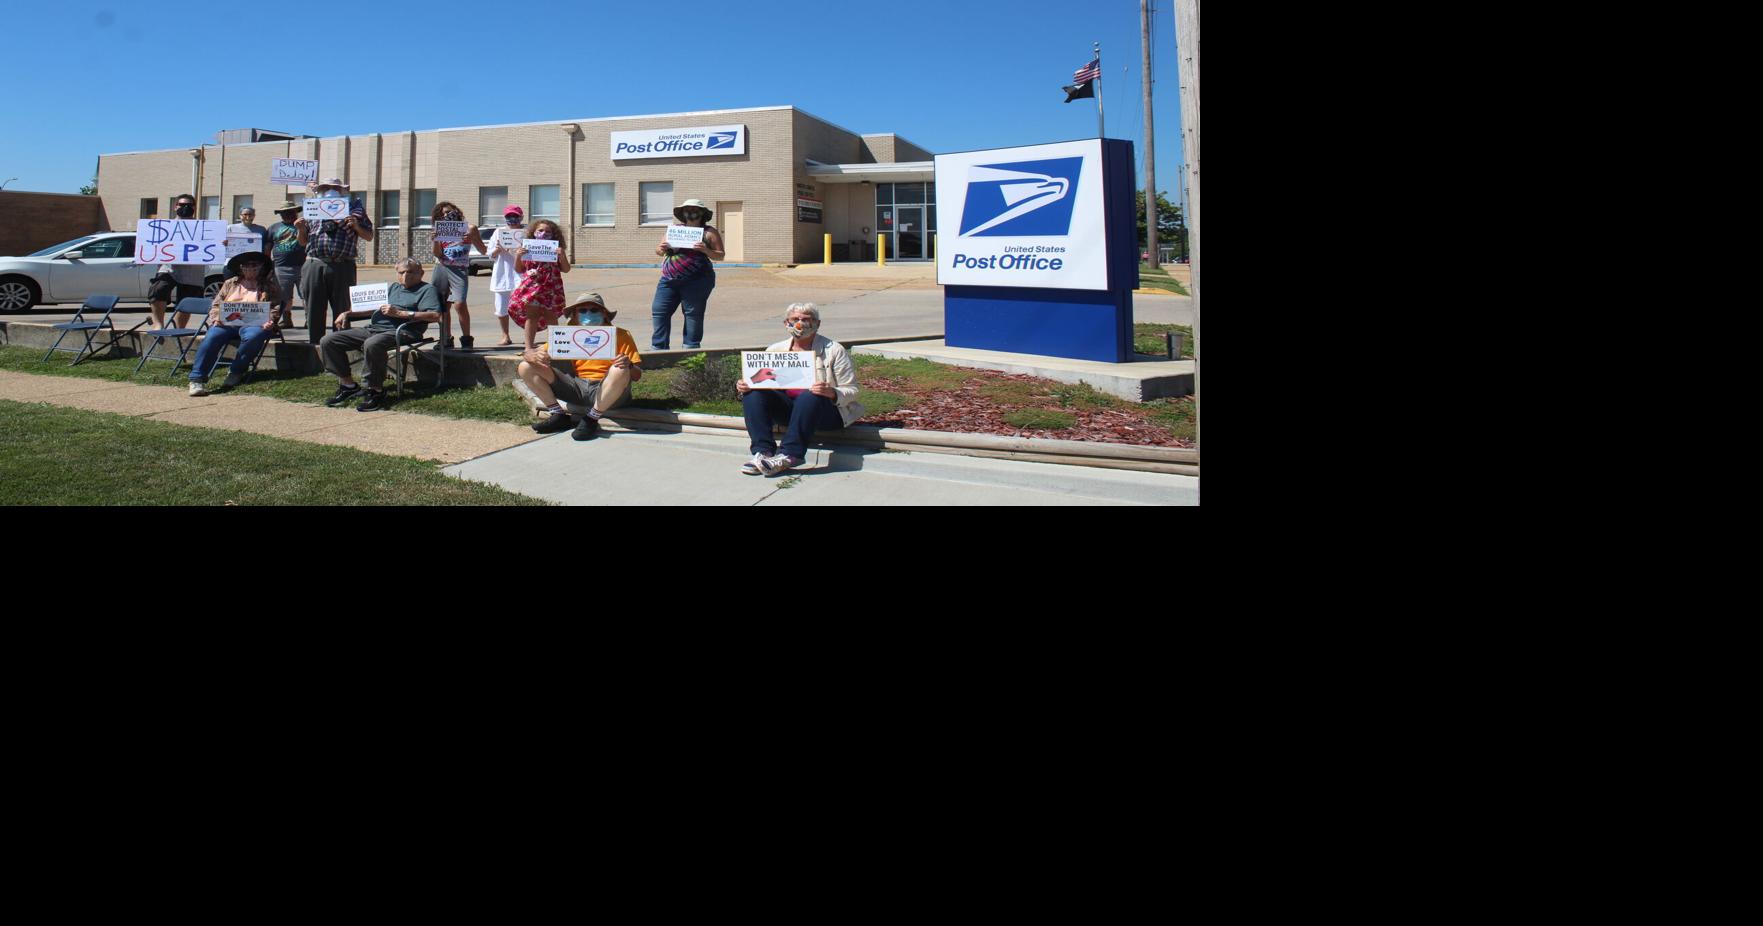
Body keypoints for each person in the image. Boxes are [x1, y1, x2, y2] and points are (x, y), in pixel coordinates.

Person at [738, 302, 865, 476]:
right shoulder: (775, 350)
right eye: (795, 319)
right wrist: (746, 384)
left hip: (826, 413)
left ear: (817, 324)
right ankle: (763, 453)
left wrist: (832, 393)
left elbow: (853, 389)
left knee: (810, 395)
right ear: (786, 323)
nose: (800, 324)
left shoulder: (834, 350)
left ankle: (789, 455)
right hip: (790, 411)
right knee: (753, 392)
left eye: (807, 319)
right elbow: (763, 381)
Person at [318, 258, 442, 412]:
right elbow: (372, 309)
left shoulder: (427, 290)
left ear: (421, 273)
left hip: (404, 330)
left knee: (373, 343)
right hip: (375, 328)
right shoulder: (393, 288)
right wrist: (347, 313)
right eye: (401, 272)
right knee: (329, 340)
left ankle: (375, 389)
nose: (405, 276)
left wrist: (401, 313)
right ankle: (348, 385)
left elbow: (435, 315)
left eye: (410, 272)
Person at [517, 292, 642, 441]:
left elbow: (637, 375)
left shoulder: (621, 335)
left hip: (610, 390)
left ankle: (591, 419)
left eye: (594, 310)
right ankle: (558, 415)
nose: (588, 314)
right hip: (578, 387)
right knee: (525, 366)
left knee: (619, 369)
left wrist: (629, 365)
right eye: (582, 310)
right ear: (575, 315)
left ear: (604, 314)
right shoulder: (569, 335)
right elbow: (533, 353)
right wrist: (529, 355)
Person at [185, 251, 281, 396]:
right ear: (241, 268)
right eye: (247, 266)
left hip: (255, 324)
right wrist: (216, 317)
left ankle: (236, 371)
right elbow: (216, 305)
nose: (251, 269)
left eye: (255, 265)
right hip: (227, 323)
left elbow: (275, 307)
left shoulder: (269, 286)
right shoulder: (230, 283)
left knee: (254, 336)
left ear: (261, 267)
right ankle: (197, 379)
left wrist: (270, 320)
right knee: (211, 337)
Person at [296, 177, 373, 344]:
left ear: (343, 191)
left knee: (342, 307)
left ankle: (338, 345)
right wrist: (301, 229)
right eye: (327, 188)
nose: (331, 191)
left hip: (342, 264)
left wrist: (356, 226)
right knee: (314, 307)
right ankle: (315, 345)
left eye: (335, 188)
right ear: (321, 191)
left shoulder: (355, 212)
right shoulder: (312, 210)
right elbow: (303, 242)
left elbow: (369, 236)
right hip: (314, 262)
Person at [650, 198, 723, 350]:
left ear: (702, 213)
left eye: (695, 209)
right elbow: (658, 251)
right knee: (659, 312)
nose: (691, 212)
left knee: (692, 314)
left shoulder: (709, 232)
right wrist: (662, 248)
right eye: (687, 209)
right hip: (668, 279)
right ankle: (658, 348)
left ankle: (691, 348)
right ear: (682, 213)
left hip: (698, 280)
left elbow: (720, 255)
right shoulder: (675, 229)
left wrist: (705, 250)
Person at [430, 201, 486, 351]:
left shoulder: (470, 228)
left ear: (456, 210)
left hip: (459, 268)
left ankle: (466, 339)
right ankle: (445, 338)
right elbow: (437, 254)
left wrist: (473, 238)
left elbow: (483, 251)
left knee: (459, 304)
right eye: (442, 215)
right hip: (441, 267)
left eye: (449, 212)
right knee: (442, 306)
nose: (447, 215)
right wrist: (436, 240)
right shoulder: (440, 229)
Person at [506, 219, 570, 351]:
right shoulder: (526, 248)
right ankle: (528, 347)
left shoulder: (556, 249)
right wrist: (518, 256)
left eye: (548, 231)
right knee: (532, 316)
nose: (544, 233)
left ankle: (555, 346)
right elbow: (519, 269)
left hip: (551, 286)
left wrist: (562, 255)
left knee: (551, 316)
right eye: (540, 230)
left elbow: (566, 269)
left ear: (554, 234)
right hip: (532, 287)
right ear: (533, 232)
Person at [148, 193, 209, 330]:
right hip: (169, 267)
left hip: (193, 269)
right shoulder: (164, 226)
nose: (185, 207)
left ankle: (179, 329)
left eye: (189, 205)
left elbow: (213, 245)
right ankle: (158, 324)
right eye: (182, 205)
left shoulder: (204, 227)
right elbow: (150, 245)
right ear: (175, 207)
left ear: (194, 207)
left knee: (186, 300)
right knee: (158, 289)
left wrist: (221, 243)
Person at [485, 204, 526, 346]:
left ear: (521, 217)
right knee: (501, 308)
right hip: (502, 275)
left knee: (525, 307)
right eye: (509, 216)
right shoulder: (498, 232)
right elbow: (490, 254)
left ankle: (528, 336)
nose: (512, 219)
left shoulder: (526, 232)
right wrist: (498, 248)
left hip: (521, 275)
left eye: (515, 216)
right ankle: (505, 335)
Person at [265, 202, 306, 329]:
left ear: (296, 212)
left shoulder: (305, 225)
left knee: (306, 294)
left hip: (303, 266)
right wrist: (268, 267)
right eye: (284, 212)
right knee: (284, 296)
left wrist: (301, 228)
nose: (287, 214)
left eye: (290, 212)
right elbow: (267, 249)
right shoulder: (273, 228)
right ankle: (287, 319)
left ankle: (309, 319)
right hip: (280, 267)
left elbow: (307, 242)